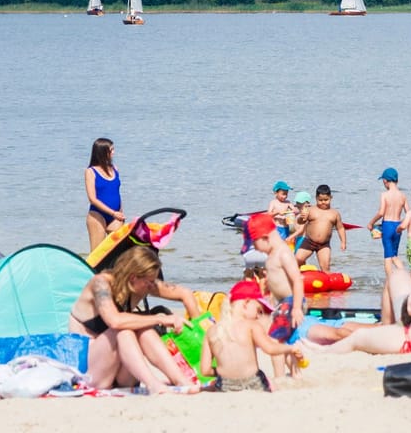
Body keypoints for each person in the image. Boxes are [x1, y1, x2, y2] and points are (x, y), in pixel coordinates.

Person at [67, 246, 194, 392]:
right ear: (133, 277)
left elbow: (185, 294)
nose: (153, 286)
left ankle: (181, 380)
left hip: (122, 377)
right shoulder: (100, 283)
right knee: (123, 331)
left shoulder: (140, 285)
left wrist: (198, 330)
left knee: (144, 330)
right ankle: (152, 384)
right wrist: (160, 319)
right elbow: (114, 321)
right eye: (150, 281)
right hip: (89, 372)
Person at [207, 280, 304, 392]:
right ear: (246, 303)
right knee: (269, 382)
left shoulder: (211, 330)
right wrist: (291, 348)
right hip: (252, 383)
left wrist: (223, 371)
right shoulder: (251, 325)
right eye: (258, 310)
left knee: (214, 384)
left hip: (224, 385)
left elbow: (205, 370)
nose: (258, 316)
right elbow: (271, 349)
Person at [246, 212, 306, 334]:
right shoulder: (271, 255)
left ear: (265, 238)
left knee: (275, 334)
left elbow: (297, 280)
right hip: (281, 303)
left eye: (255, 243)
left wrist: (296, 308)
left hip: (291, 302)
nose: (255, 248)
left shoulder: (283, 253)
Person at [367, 167, 406, 288]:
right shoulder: (402, 195)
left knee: (387, 257)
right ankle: (405, 276)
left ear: (385, 181)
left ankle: (390, 283)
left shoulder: (385, 195)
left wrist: (371, 222)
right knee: (394, 255)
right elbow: (409, 213)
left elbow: (381, 212)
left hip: (388, 225)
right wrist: (402, 225)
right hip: (398, 226)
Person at [84, 137, 125, 251]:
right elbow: (92, 199)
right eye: (111, 150)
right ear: (103, 152)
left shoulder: (114, 169)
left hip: (116, 216)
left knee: (118, 252)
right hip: (97, 215)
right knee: (97, 253)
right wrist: (113, 213)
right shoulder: (90, 172)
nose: (114, 152)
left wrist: (121, 213)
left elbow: (117, 193)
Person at [294, 184, 346, 272]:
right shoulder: (311, 210)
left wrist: (343, 242)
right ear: (316, 198)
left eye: (326, 200)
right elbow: (300, 222)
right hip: (309, 242)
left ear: (331, 197)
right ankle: (296, 276)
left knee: (325, 266)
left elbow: (340, 228)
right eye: (320, 200)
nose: (323, 202)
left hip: (324, 245)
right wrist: (301, 217)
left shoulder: (334, 213)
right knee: (298, 259)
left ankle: (327, 283)